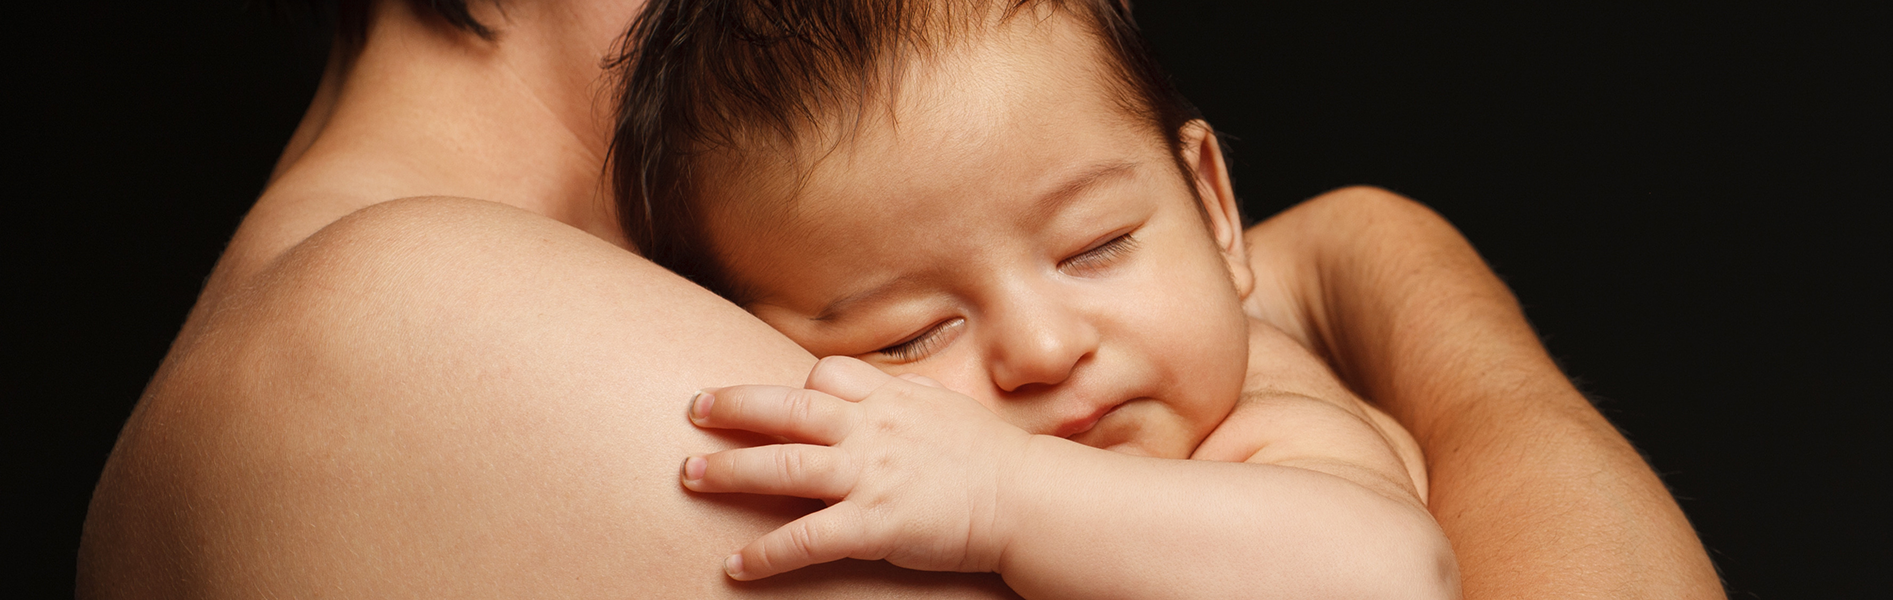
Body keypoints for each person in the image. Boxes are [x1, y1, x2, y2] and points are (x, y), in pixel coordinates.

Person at [77, 0, 1723, 597]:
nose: (1027, 346)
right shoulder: (420, 340)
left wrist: (1369, 253)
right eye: (905, 337)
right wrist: (1388, 278)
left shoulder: (385, 307)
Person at [628, 3, 1453, 594]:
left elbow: (1392, 574)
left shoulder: (1267, 422)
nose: (1043, 351)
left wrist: (1005, 494)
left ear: (1213, 210)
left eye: (1095, 247)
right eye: (912, 335)